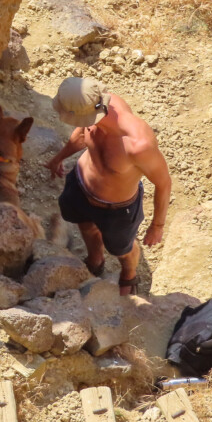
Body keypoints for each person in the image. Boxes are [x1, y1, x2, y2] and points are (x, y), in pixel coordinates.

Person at [45, 77, 171, 295]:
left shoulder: (138, 144)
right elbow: (82, 134)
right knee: (84, 224)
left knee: (122, 249)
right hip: (81, 185)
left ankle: (129, 275)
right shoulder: (93, 114)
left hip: (117, 209)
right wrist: (59, 158)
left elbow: (163, 183)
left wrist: (157, 226)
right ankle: (96, 258)